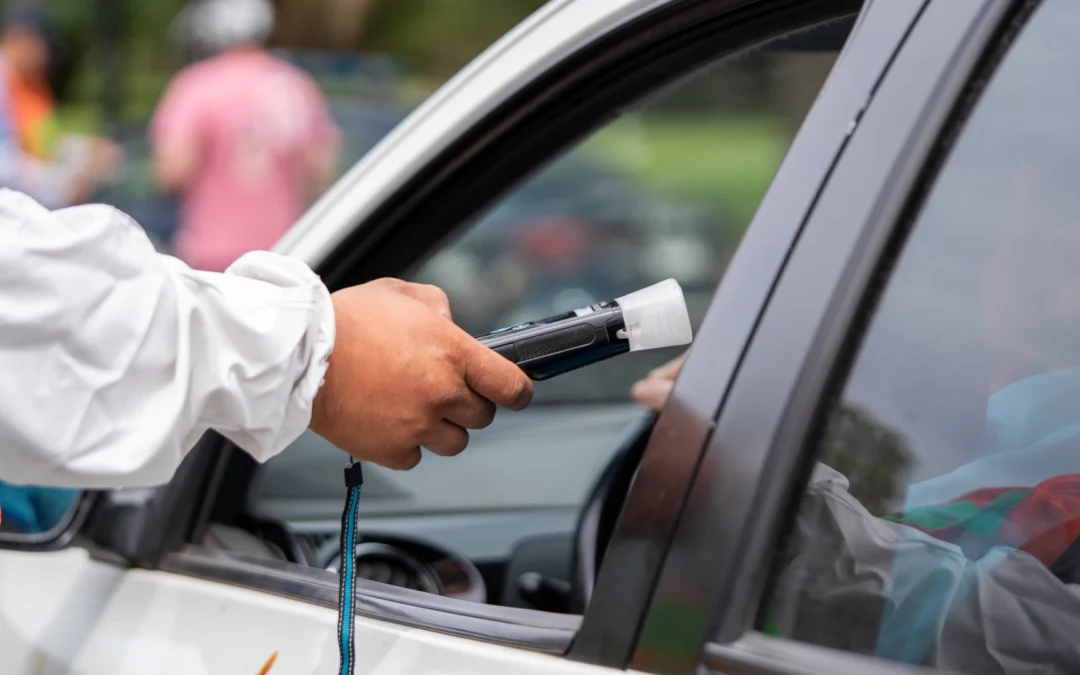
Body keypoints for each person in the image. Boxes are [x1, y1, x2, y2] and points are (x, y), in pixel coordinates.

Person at [0, 188, 533, 489]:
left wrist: (314, 347)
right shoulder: (293, 89)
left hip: (230, 271)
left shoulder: (199, 87)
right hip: (256, 270)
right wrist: (325, 357)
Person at [149, 0, 342, 272]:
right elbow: (319, 172)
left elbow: (173, 172)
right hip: (287, 252)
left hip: (214, 255)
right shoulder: (297, 85)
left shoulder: (197, 85)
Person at [0, 3, 120, 207]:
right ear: (22, 38)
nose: (47, 58)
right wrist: (63, 185)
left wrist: (86, 152)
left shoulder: (30, 85)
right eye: (45, 47)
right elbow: (5, 164)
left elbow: (45, 143)